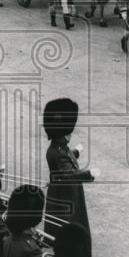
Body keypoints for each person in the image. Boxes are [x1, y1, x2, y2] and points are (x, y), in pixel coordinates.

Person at [43, 98, 95, 235]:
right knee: (69, 225)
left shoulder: (58, 148)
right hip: (65, 197)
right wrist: (88, 174)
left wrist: (76, 152)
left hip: (64, 193)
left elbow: (66, 157)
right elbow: (68, 174)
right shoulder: (58, 151)